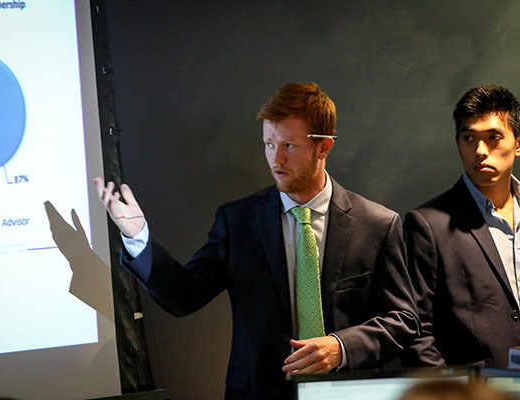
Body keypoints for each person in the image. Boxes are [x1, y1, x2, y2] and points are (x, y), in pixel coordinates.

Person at [94, 82, 419, 399]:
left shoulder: (377, 224)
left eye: (288, 146)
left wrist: (341, 347)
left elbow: (403, 320)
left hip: (348, 392)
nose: (276, 160)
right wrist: (137, 237)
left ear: (324, 146)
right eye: (268, 144)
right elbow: (183, 296)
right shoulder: (238, 222)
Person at [401, 84, 520, 368]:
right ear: (457, 143)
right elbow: (416, 333)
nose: (480, 150)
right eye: (469, 138)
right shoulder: (427, 225)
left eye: (493, 137)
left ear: (517, 144)